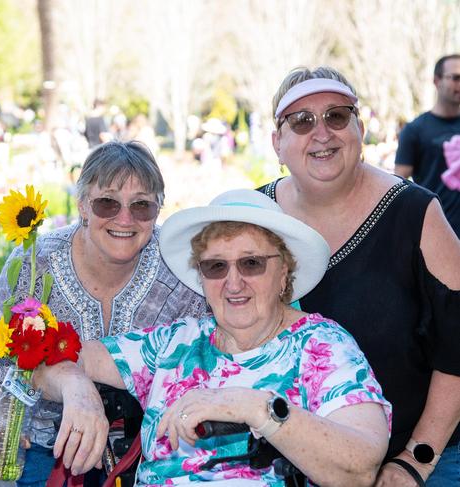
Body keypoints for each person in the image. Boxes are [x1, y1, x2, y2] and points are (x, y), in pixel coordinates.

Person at [26, 189, 391, 486]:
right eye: (216, 266)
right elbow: (50, 355)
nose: (233, 282)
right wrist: (78, 390)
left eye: (251, 263)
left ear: (284, 273)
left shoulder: (321, 346)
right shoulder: (177, 342)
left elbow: (359, 468)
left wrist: (253, 407)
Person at [261, 66, 460, 486]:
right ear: (277, 143)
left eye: (336, 115)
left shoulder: (416, 213)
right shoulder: (255, 217)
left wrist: (414, 460)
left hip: (416, 457)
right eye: (301, 121)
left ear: (360, 129)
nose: (322, 132)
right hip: (283, 462)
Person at [0, 140, 206, 486]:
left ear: (159, 211)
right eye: (107, 203)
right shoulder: (34, 265)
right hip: (47, 451)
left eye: (141, 206)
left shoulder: (180, 269)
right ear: (83, 205)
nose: (124, 219)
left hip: (152, 453)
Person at [394, 54, 460, 238]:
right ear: (437, 81)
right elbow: (398, 182)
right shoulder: (415, 129)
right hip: (437, 236)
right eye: (455, 78)